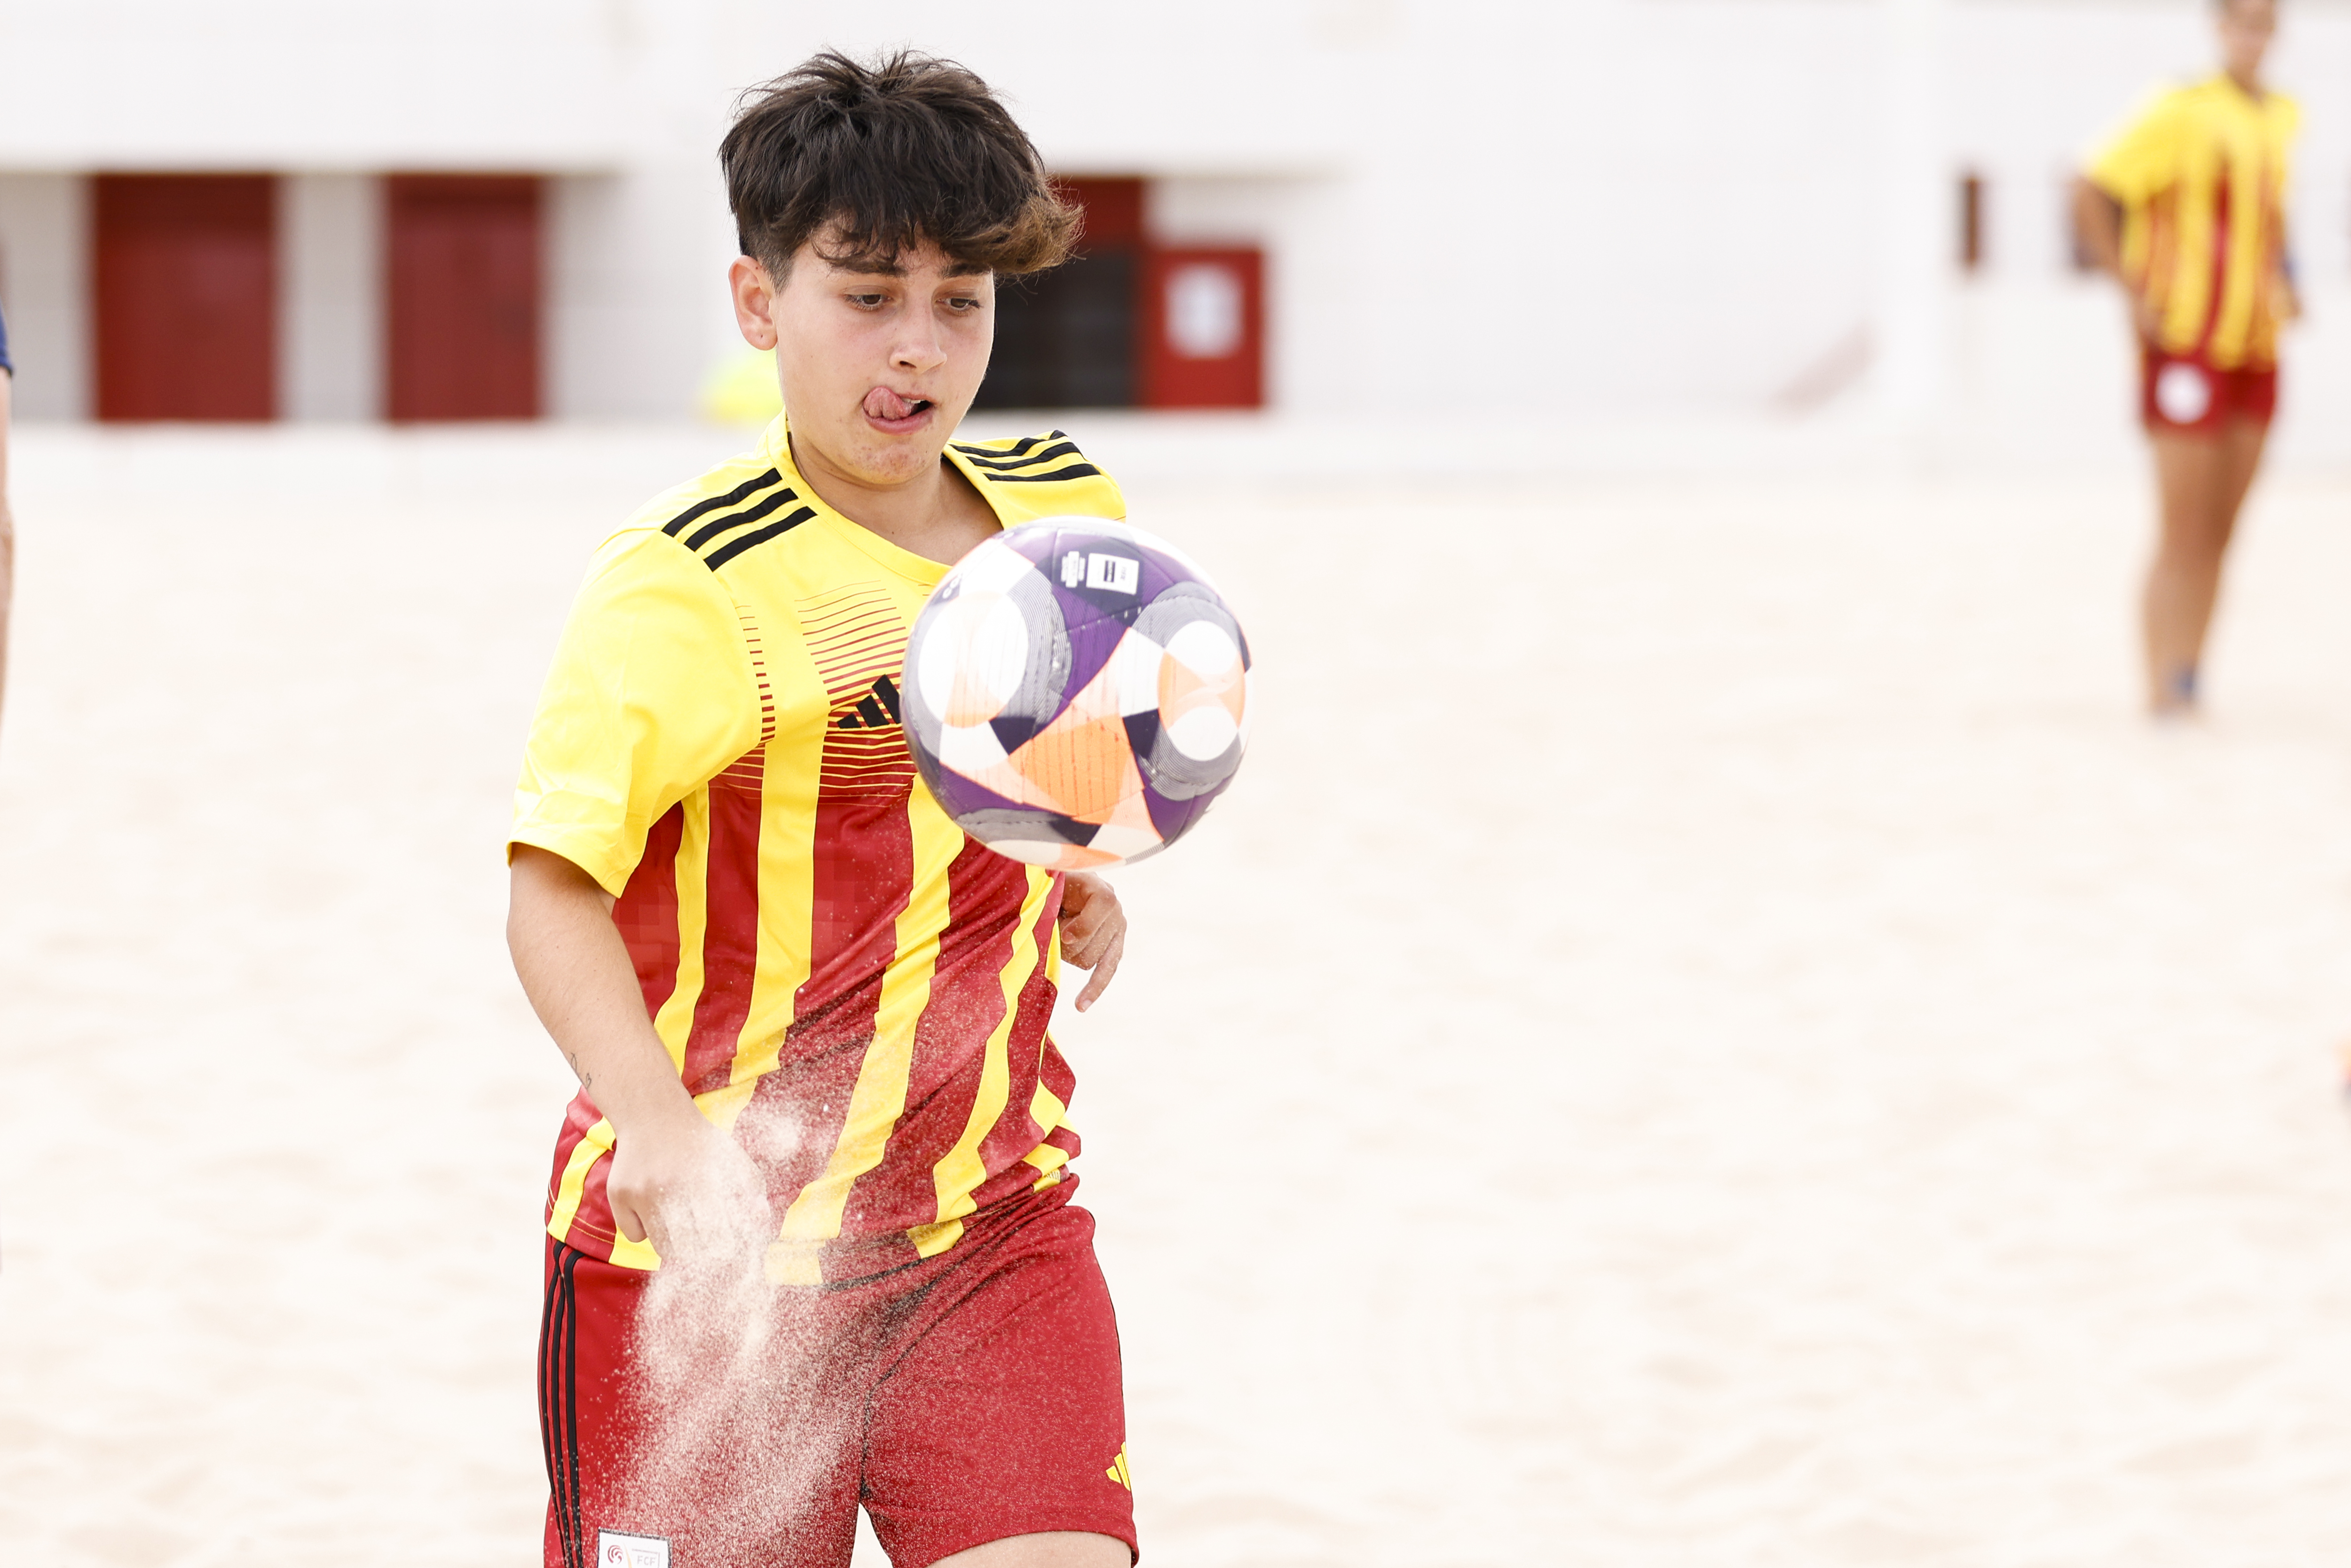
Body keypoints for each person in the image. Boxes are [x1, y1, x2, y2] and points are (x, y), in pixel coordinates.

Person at [507, 53, 1138, 1568]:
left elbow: (1036, 762)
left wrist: (1075, 868)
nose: (920, 345)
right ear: (758, 301)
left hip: (987, 1237)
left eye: (962, 300)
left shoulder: (1064, 516)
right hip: (705, 1258)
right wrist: (653, 1124)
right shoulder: (686, 582)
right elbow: (550, 890)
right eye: (867, 295)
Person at [2073, 0, 2299, 718]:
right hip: (2187, 345)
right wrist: (2130, 289)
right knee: (2183, 525)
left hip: (2256, 345)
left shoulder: (2282, 116)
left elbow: (2270, 218)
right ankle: (2160, 685)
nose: (2252, 38)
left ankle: (2190, 675)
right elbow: (2090, 186)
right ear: (2219, 28)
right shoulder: (2179, 109)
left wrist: (2288, 280)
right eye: (2241, 22)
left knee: (2224, 526)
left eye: (2264, 24)